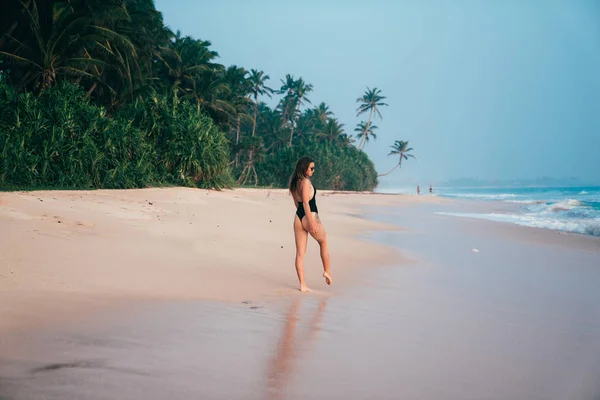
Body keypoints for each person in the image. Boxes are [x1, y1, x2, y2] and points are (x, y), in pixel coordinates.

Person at [289, 156, 331, 292]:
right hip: (309, 215)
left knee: (300, 253)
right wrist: (311, 222)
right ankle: (327, 271)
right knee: (323, 242)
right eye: (311, 168)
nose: (313, 170)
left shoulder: (294, 183)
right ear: (304, 168)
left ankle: (302, 284)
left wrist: (302, 218)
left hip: (298, 217)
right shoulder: (306, 182)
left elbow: (297, 203)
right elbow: (306, 203)